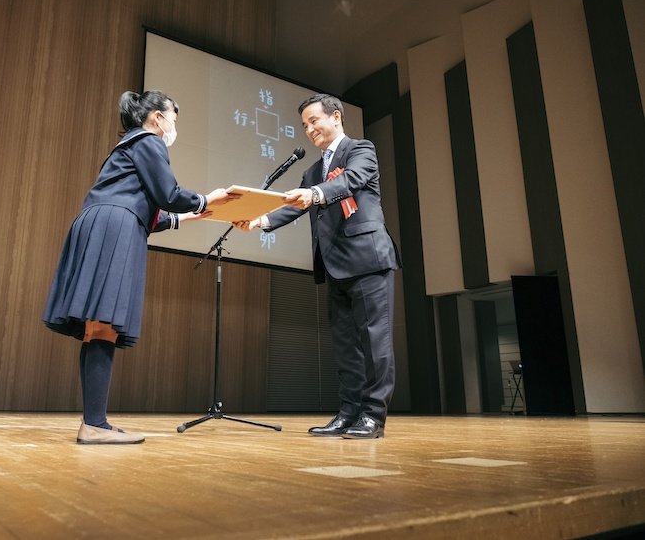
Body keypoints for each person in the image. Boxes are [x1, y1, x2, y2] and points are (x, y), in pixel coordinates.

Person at [43, 90, 236, 445]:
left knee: (98, 326)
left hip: (105, 223)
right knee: (102, 325)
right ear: (157, 117)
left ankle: (95, 422)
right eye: (173, 120)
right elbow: (168, 192)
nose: (173, 128)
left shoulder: (131, 145)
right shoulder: (150, 141)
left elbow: (157, 212)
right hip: (115, 228)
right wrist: (209, 199)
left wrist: (198, 212)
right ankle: (94, 425)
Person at [234, 94, 400, 439]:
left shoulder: (360, 149)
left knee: (375, 343)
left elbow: (349, 181)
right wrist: (259, 221)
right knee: (345, 346)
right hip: (335, 264)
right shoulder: (312, 171)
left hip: (369, 260)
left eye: (314, 121)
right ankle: (348, 413)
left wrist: (316, 194)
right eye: (305, 125)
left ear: (335, 117)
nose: (309, 130)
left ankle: (372, 416)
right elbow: (295, 205)